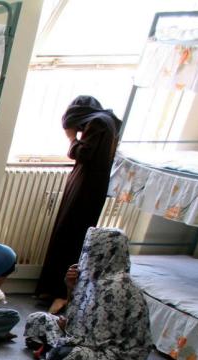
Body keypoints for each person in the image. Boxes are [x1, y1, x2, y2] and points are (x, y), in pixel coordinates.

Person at [24, 226, 152, 360]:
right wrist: (69, 287)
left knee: (62, 355)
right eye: (87, 247)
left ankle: (50, 352)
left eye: (93, 249)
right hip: (83, 335)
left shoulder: (118, 286)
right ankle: (49, 352)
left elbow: (101, 339)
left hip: (113, 351)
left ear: (109, 251)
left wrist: (68, 334)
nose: (88, 253)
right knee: (36, 319)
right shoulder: (91, 274)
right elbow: (75, 313)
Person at [34, 95, 122, 314]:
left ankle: (60, 292)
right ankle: (55, 290)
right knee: (70, 236)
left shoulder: (98, 123)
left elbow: (82, 153)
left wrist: (72, 137)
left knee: (68, 237)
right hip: (90, 186)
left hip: (86, 188)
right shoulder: (108, 121)